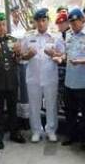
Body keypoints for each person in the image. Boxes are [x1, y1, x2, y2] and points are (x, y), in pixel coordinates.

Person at [20, 8, 65, 143]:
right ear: (35, 22)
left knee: (51, 105)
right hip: (33, 77)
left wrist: (54, 55)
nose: (41, 24)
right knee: (34, 106)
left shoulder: (56, 37)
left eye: (43, 20)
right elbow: (21, 57)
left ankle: (51, 130)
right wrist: (28, 55)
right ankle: (36, 131)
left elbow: (63, 55)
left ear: (48, 21)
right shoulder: (28, 37)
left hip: (50, 77)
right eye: (38, 21)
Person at [0, 12, 26, 149]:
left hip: (12, 80)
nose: (2, 27)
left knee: (12, 108)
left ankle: (14, 132)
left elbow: (18, 60)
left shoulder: (13, 40)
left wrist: (18, 53)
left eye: (3, 24)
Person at [62, 8, 85, 150]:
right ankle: (71, 136)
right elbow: (66, 53)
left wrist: (81, 61)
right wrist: (60, 56)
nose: (73, 25)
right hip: (70, 81)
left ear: (82, 20)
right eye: (71, 23)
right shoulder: (69, 35)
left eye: (75, 22)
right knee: (70, 112)